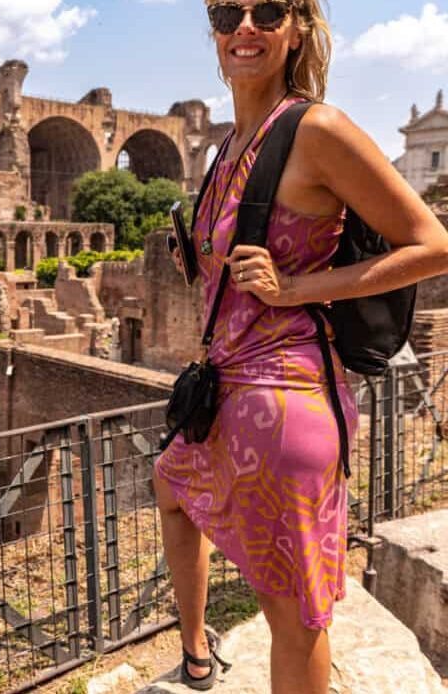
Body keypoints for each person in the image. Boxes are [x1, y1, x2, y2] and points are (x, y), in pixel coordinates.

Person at [154, 2, 448, 693]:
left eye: (269, 10)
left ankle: (202, 654)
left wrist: (301, 288)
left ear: (298, 28)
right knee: (170, 486)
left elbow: (433, 245)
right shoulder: (230, 144)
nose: (246, 26)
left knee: (293, 621)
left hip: (287, 405)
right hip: (229, 386)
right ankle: (197, 653)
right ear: (215, 31)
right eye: (230, 11)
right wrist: (196, 257)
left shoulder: (317, 129)